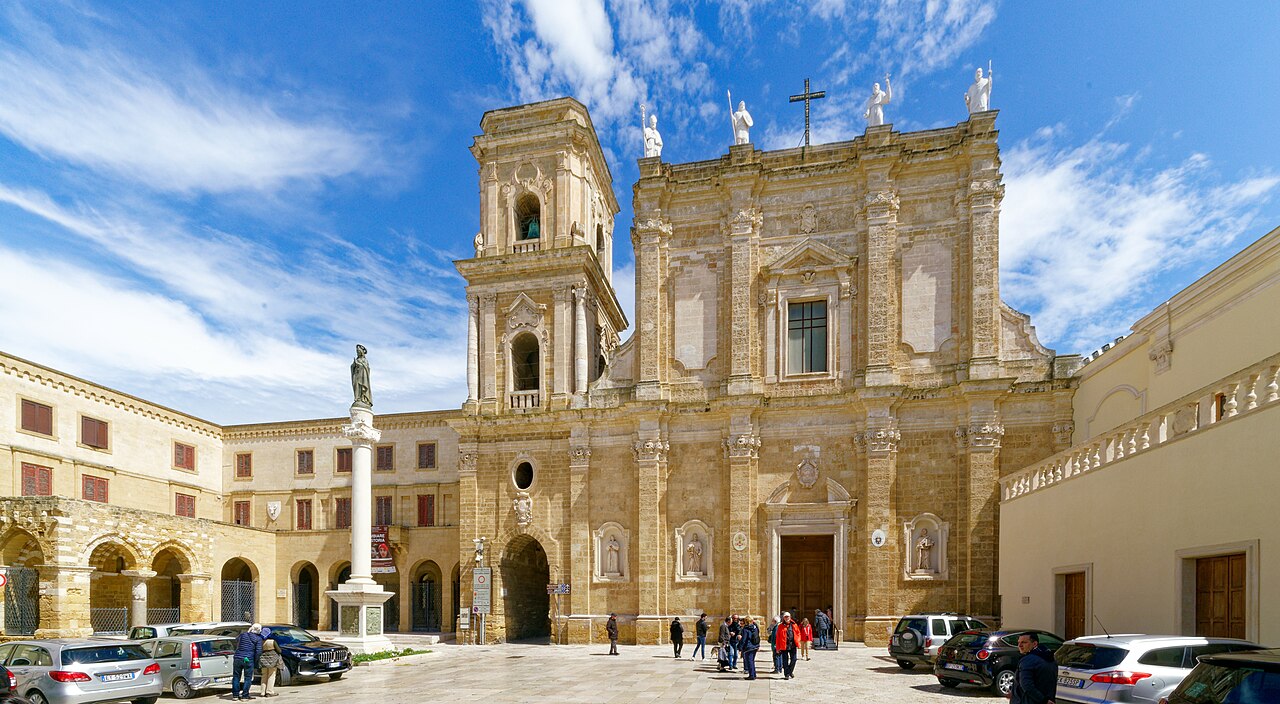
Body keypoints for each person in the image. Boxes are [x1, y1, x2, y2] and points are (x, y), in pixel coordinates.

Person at [1010, 632, 1057, 704]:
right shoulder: (1050, 658)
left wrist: (1044, 700)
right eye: (1018, 642)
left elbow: (1027, 685)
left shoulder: (1028, 660)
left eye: (1024, 642)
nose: (1019, 645)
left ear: (1034, 644)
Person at [232, 623, 264, 700]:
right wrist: (256, 662)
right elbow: (258, 652)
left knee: (236, 677)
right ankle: (245, 696)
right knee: (248, 678)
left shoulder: (243, 635)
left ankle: (235, 695)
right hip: (248, 659)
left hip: (238, 657)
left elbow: (236, 641)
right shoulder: (258, 639)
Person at [776, 612, 802, 680]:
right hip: (784, 645)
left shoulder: (794, 625)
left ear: (790, 617)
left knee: (794, 659)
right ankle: (786, 674)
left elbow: (798, 633)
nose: (787, 618)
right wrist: (778, 647)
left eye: (788, 617)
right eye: (785, 617)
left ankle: (790, 671)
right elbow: (778, 637)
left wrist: (798, 640)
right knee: (785, 661)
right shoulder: (780, 626)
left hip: (792, 645)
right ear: (783, 618)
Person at [740, 616, 760, 680]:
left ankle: (751, 675)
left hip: (748, 647)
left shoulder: (745, 629)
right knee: (752, 661)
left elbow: (744, 639)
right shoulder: (755, 627)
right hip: (755, 646)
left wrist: (740, 647)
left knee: (749, 661)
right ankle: (753, 674)